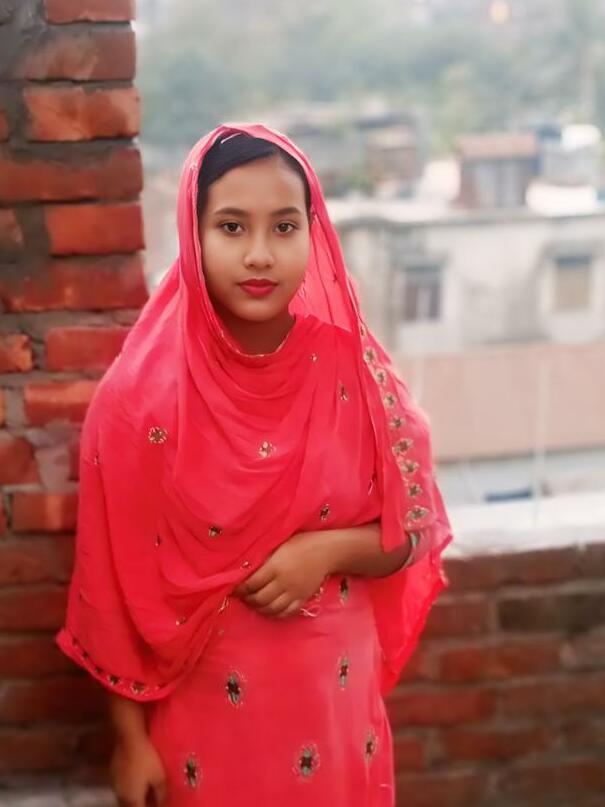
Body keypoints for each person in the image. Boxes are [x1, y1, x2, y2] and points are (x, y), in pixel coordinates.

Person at [55, 122, 453, 807]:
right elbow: (111, 581)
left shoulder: (355, 372)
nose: (260, 254)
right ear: (193, 233)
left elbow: (414, 529)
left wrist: (326, 551)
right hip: (205, 728)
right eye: (232, 227)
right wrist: (129, 740)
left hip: (335, 711)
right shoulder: (139, 399)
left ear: (313, 235)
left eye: (285, 227)